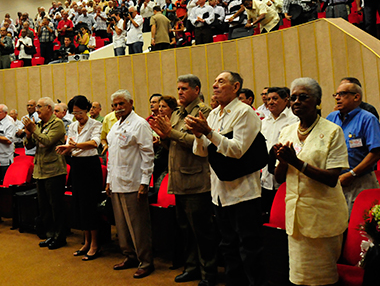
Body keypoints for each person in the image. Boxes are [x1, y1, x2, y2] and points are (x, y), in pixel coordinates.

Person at [187, 71, 266, 286]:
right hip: (219, 193)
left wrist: (209, 133)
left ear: (236, 86)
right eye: (214, 82)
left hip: (243, 193)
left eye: (221, 82)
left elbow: (238, 150)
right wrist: (198, 134)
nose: (214, 85)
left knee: (250, 250)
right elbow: (201, 153)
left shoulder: (244, 112)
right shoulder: (212, 115)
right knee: (228, 247)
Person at [273, 78, 349, 286]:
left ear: (317, 101)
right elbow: (280, 178)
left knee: (323, 279)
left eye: (303, 97)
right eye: (293, 97)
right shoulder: (287, 131)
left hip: (322, 217)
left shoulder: (333, 131)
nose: (296, 101)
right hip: (296, 218)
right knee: (298, 278)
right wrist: (282, 161)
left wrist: (296, 162)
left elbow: (332, 178)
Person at [150, 74, 218, 286]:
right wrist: (163, 137)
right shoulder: (178, 113)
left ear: (196, 90)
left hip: (197, 179)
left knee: (202, 230)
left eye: (184, 89)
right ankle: (192, 268)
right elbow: (174, 144)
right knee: (186, 229)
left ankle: (209, 273)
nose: (180, 92)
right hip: (178, 179)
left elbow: (201, 143)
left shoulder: (204, 112)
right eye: (178, 88)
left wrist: (171, 133)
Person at [107, 89, 155, 279]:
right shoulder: (114, 126)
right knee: (122, 226)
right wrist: (109, 181)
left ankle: (146, 261)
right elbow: (111, 157)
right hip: (117, 182)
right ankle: (130, 256)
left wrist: (145, 182)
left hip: (134, 183)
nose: (118, 108)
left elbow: (148, 155)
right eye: (115, 105)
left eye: (121, 104)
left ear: (130, 103)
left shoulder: (140, 124)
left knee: (138, 226)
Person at [56, 95, 103, 260]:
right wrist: (65, 149)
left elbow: (95, 143)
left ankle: (95, 244)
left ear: (87, 110)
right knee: (79, 205)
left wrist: (75, 146)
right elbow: (70, 144)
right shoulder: (73, 125)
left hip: (90, 167)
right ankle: (86, 241)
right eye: (74, 113)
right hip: (76, 166)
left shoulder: (95, 124)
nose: (77, 116)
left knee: (90, 206)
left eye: (80, 112)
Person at [326, 80, 380, 214]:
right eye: (336, 94)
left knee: (359, 227)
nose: (337, 98)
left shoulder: (368, 119)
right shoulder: (331, 117)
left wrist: (351, 174)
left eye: (342, 94)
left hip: (360, 181)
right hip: (335, 181)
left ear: (356, 97)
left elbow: (375, 153)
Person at [23, 97, 67, 249]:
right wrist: (28, 134)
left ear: (49, 108)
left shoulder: (58, 124)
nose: (37, 110)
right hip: (40, 171)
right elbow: (30, 146)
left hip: (54, 171)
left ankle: (60, 237)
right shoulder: (40, 124)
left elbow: (48, 141)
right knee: (44, 207)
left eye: (39, 107)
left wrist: (34, 130)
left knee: (56, 206)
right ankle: (50, 235)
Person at [259, 87, 297, 219]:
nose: (270, 102)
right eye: (268, 99)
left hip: (285, 176)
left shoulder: (294, 120)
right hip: (264, 180)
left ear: (286, 100)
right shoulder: (263, 122)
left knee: (284, 217)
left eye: (275, 98)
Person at [0, 104, 16, 185]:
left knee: (3, 184)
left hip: (4, 160)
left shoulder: (9, 124)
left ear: (5, 113)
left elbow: (9, 140)